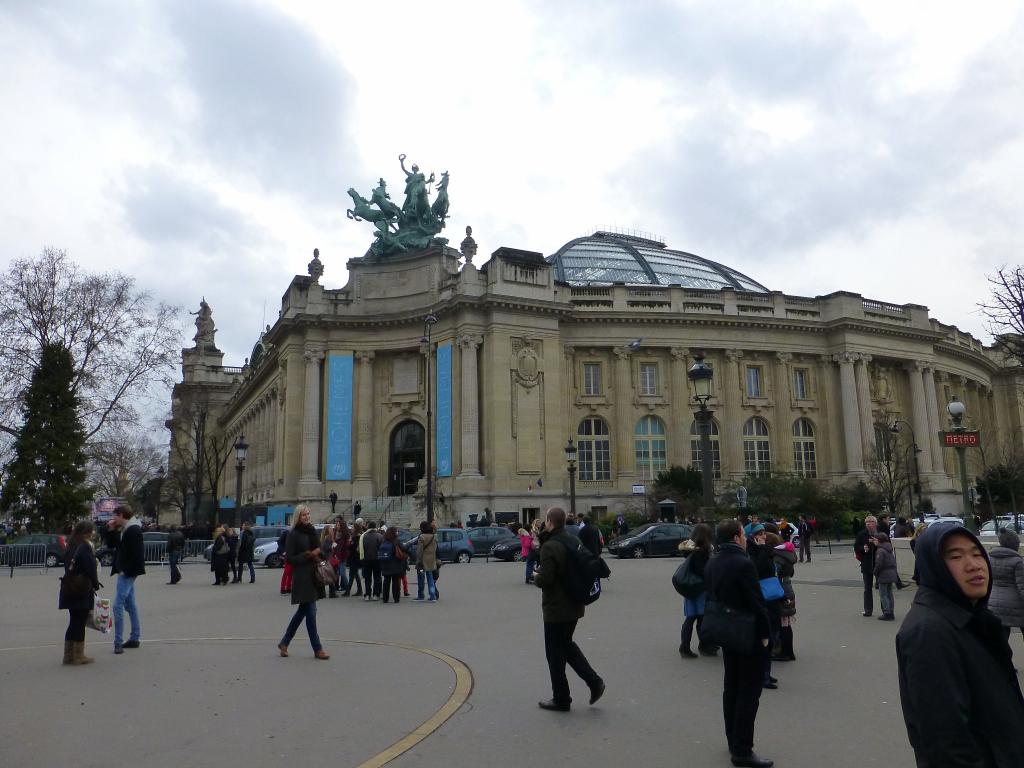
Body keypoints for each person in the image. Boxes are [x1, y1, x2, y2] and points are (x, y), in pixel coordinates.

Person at [896, 523, 1024, 766]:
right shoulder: (930, 633)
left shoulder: (972, 619)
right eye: (955, 556)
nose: (973, 564)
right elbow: (945, 742)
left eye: (977, 554)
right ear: (933, 566)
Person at [704, 519, 773, 768]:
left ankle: (732, 737)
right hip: (747, 632)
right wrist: (766, 633)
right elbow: (757, 603)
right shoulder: (743, 563)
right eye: (743, 534)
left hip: (726, 630)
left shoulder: (714, 562)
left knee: (731, 686)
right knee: (749, 691)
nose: (745, 538)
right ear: (736, 538)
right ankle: (742, 748)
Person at [533, 506, 605, 713]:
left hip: (557, 608)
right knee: (566, 646)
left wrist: (537, 577)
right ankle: (594, 682)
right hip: (575, 603)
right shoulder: (573, 539)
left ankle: (562, 698)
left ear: (550, 522)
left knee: (554, 654)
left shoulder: (550, 546)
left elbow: (546, 579)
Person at [278, 505, 329, 660]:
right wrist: (308, 555)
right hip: (302, 577)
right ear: (298, 517)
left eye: (308, 514)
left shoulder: (312, 531)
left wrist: (320, 552)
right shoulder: (293, 534)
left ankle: (284, 642)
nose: (307, 517)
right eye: (303, 515)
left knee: (302, 612)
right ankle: (317, 649)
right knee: (311, 613)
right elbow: (290, 559)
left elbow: (320, 550)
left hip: (313, 576)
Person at [60, 520, 100, 665]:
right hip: (81, 589)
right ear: (86, 533)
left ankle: (68, 654)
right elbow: (90, 568)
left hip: (69, 587)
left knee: (73, 621)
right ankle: (78, 655)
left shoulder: (71, 545)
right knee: (80, 621)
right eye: (92, 531)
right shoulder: (84, 547)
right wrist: (95, 584)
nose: (93, 533)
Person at [108, 505, 145, 655]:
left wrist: (125, 570)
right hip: (126, 571)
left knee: (118, 605)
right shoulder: (127, 529)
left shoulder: (133, 530)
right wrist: (111, 530)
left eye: (115, 516)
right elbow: (113, 545)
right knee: (130, 604)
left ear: (121, 515)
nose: (113, 519)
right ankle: (135, 637)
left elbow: (137, 554)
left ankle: (118, 642)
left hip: (127, 572)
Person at [747, 525, 780, 690]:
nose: (763, 537)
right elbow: (757, 570)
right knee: (764, 638)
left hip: (772, 595)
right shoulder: (751, 552)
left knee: (772, 635)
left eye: (764, 534)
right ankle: (762, 675)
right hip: (762, 597)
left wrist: (765, 549)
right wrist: (761, 549)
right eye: (759, 534)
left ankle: (766, 672)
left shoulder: (765, 549)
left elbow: (771, 566)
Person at [679, 522, 715, 659]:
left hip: (690, 587)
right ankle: (704, 645)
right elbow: (703, 571)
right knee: (702, 618)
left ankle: (684, 646)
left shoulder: (689, 549)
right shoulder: (703, 552)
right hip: (700, 588)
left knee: (690, 618)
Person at [988, 529, 1024, 642]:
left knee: (1001, 642)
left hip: (994, 604)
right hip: (1017, 607)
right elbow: (1022, 587)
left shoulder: (989, 559)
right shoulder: (1017, 562)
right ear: (1014, 544)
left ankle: (1002, 659)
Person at [771, 540, 797, 661]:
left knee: (782, 626)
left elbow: (774, 574)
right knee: (786, 625)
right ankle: (789, 651)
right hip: (787, 589)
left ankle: (785, 652)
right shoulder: (788, 555)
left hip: (781, 591)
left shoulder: (777, 558)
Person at [854, 515, 880, 616]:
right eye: (867, 522)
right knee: (867, 588)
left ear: (875, 523)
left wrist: (878, 544)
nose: (868, 524)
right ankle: (868, 610)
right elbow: (856, 546)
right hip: (866, 563)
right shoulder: (862, 534)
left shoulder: (880, 533)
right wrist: (863, 548)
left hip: (879, 563)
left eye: (871, 522)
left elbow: (888, 545)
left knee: (882, 588)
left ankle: (886, 610)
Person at [873, 532, 898, 621]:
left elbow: (879, 564)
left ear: (879, 541)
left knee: (883, 594)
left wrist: (875, 572)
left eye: (875, 540)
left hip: (884, 574)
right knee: (889, 593)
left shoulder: (880, 550)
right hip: (891, 573)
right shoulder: (889, 549)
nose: (874, 541)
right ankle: (891, 611)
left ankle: (887, 612)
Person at [379, 527, 407, 604]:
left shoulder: (383, 540)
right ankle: (396, 598)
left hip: (385, 563)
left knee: (386, 581)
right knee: (395, 582)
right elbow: (404, 548)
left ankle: (385, 598)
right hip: (395, 563)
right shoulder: (396, 540)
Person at [414, 521, 439, 602]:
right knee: (430, 578)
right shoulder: (434, 536)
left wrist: (418, 560)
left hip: (422, 561)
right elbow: (436, 548)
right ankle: (432, 595)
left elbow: (419, 551)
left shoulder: (422, 537)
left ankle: (421, 595)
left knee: (421, 578)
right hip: (431, 559)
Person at [360, 521, 383, 601]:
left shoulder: (364, 536)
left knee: (367, 578)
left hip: (366, 559)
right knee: (377, 577)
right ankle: (376, 594)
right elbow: (381, 548)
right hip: (377, 559)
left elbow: (361, 548)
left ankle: (367, 594)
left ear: (368, 527)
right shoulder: (379, 536)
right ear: (375, 527)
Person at [345, 520, 363, 597]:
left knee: (353, 574)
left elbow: (353, 547)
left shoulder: (357, 536)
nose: (351, 529)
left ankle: (348, 591)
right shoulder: (354, 536)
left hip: (355, 558)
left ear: (356, 528)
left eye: (353, 527)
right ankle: (359, 590)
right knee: (354, 574)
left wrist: (349, 543)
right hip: (353, 557)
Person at [332, 519, 351, 595]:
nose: (337, 526)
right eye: (337, 525)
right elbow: (334, 546)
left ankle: (347, 589)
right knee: (339, 572)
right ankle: (344, 588)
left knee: (342, 573)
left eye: (339, 525)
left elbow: (345, 548)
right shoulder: (336, 534)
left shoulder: (345, 535)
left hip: (342, 557)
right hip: (336, 556)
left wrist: (340, 557)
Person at [320, 526, 338, 598]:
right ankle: (332, 593)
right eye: (331, 529)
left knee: (324, 575)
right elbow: (327, 548)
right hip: (328, 559)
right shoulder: (328, 538)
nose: (332, 531)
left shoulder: (323, 538)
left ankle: (322, 592)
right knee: (331, 575)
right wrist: (333, 546)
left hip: (323, 559)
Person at [524, 519, 543, 585]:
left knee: (530, 563)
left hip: (532, 547)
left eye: (539, 523)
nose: (539, 524)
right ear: (535, 523)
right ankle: (529, 577)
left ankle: (528, 578)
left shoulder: (534, 530)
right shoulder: (534, 530)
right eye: (538, 523)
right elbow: (535, 539)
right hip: (534, 548)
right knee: (531, 563)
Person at [278, 527, 293, 594]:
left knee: (291, 572)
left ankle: (289, 587)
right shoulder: (287, 532)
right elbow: (280, 542)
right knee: (287, 572)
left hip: (296, 555)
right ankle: (283, 588)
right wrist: (284, 551)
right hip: (289, 554)